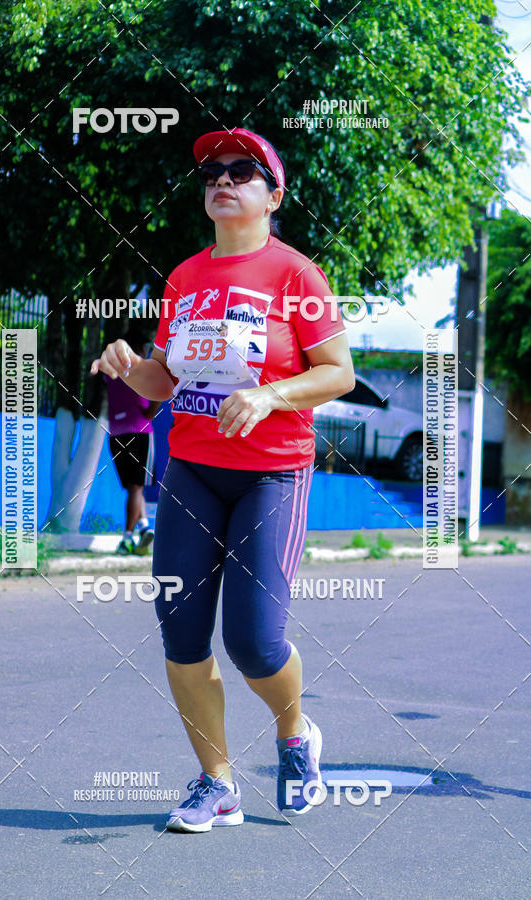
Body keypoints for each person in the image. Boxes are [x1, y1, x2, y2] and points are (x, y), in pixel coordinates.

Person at [90, 127, 355, 831]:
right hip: (192, 473)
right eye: (212, 171)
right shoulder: (184, 277)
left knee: (255, 643)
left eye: (242, 170)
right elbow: (164, 380)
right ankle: (218, 783)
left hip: (271, 475)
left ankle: (295, 735)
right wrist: (128, 366)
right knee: (181, 631)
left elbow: (339, 373)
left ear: (274, 196)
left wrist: (270, 395)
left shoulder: (297, 275)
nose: (223, 179)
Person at [104, 332, 160, 555]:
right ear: (138, 349)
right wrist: (151, 411)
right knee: (137, 487)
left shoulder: (110, 371)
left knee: (132, 488)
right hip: (140, 431)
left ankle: (144, 526)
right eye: (145, 347)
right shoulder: (140, 369)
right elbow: (158, 394)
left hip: (116, 434)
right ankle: (127, 538)